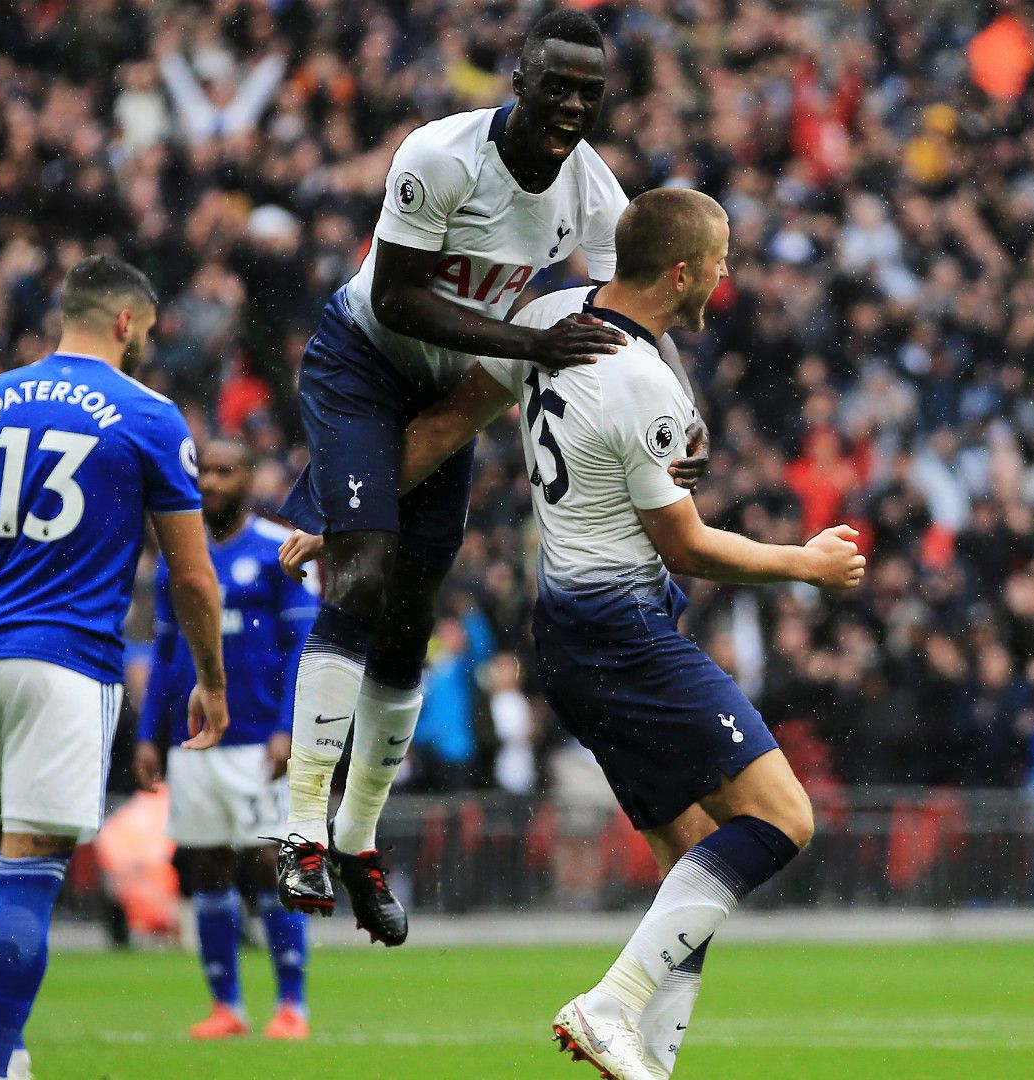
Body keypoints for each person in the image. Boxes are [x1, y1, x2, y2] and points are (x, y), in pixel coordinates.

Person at [295, 188, 865, 1077]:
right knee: (784, 819)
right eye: (720, 260)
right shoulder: (644, 388)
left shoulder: (556, 315)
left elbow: (446, 423)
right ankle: (612, 1005)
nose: (727, 275)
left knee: (689, 868)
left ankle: (645, 1058)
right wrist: (807, 563)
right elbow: (687, 545)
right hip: (621, 631)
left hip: (565, 634)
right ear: (682, 273)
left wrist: (337, 510)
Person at [272, 8, 633, 945]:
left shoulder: (592, 190)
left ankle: (357, 842)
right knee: (362, 567)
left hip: (453, 390)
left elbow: (634, 301)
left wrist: (672, 412)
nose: (571, 105)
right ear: (517, 81)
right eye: (556, 84)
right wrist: (530, 342)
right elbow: (394, 295)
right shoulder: (438, 155)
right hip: (363, 362)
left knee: (411, 620)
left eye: (589, 92)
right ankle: (301, 825)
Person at [0, 254, 230, 1080]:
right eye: (146, 331)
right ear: (124, 322)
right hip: (65, 660)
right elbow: (189, 574)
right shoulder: (148, 415)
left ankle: (8, 1057)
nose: (147, 344)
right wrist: (211, 681)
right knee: (33, 868)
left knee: (9, 860)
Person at [133, 439, 315, 1041]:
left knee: (271, 863)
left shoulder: (276, 551)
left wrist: (290, 726)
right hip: (195, 743)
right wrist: (148, 735)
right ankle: (227, 1008)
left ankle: (291, 1005)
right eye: (204, 472)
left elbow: (300, 651)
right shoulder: (177, 560)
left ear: (248, 478)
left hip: (260, 736)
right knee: (208, 866)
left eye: (223, 471)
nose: (210, 482)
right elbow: (163, 655)